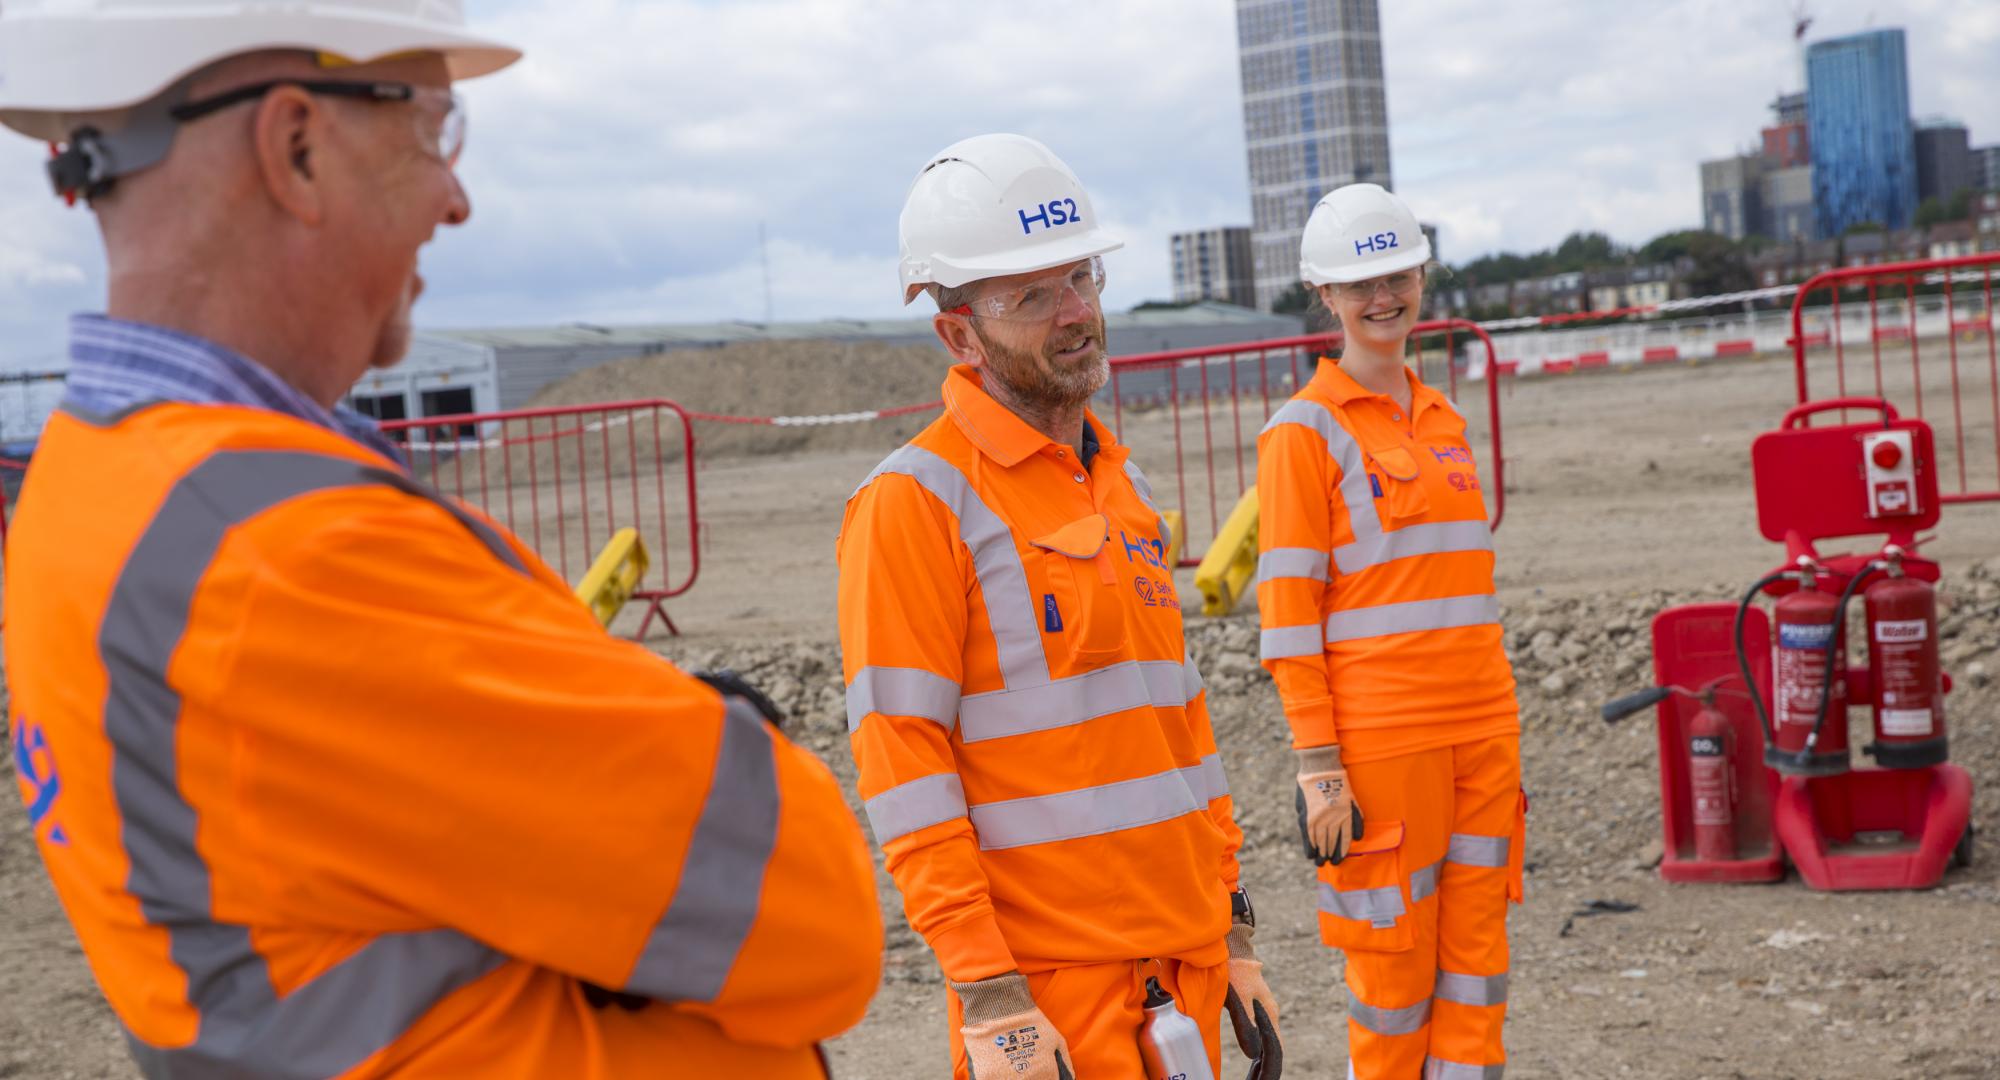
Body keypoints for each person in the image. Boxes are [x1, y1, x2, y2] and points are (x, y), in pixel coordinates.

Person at [0, 2, 880, 1076]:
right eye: (432, 130)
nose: (454, 197)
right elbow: (812, 912)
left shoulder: (93, 489)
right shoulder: (284, 556)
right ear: (296, 148)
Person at [837, 132, 1282, 1080]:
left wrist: (1234, 928)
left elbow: (1180, 729)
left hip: (1189, 969)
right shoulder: (914, 503)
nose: (1075, 313)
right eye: (1031, 296)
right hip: (1053, 996)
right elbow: (902, 765)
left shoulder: (1120, 489)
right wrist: (990, 995)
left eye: (1080, 278)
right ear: (958, 333)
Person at [1254, 183, 1524, 1080]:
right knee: (1393, 979)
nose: (1383, 296)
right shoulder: (1303, 433)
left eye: (1398, 274)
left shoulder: (1444, 418)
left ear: (1422, 277)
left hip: (1483, 729)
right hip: (1382, 747)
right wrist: (1318, 764)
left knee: (1477, 969)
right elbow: (1289, 614)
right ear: (1323, 296)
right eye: (1358, 281)